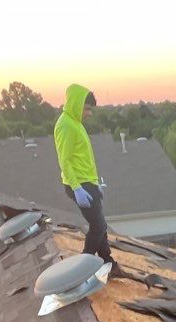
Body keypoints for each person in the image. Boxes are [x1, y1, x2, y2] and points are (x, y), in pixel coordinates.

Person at [54, 83, 113, 268]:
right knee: (99, 226)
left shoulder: (75, 123)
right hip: (79, 184)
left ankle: (107, 262)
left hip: (87, 183)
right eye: (87, 109)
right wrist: (77, 188)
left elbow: (84, 159)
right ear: (77, 104)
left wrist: (95, 184)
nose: (89, 113)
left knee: (100, 226)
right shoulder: (65, 126)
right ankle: (81, 266)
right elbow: (65, 161)